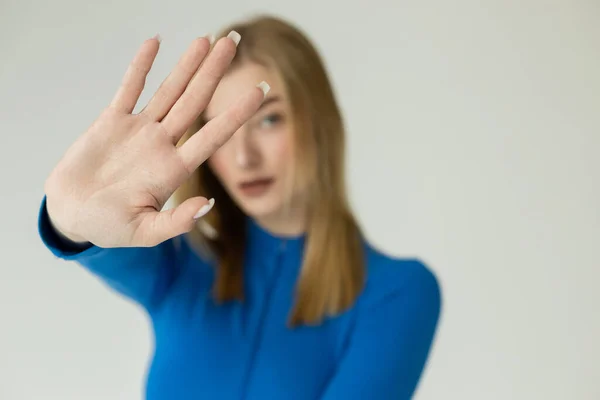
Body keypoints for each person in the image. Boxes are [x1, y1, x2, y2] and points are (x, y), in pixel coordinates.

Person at [37, 15, 441, 400]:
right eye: (223, 130)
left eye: (269, 120)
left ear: (319, 122)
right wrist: (70, 217)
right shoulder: (181, 264)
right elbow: (94, 235)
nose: (244, 158)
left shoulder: (397, 294)